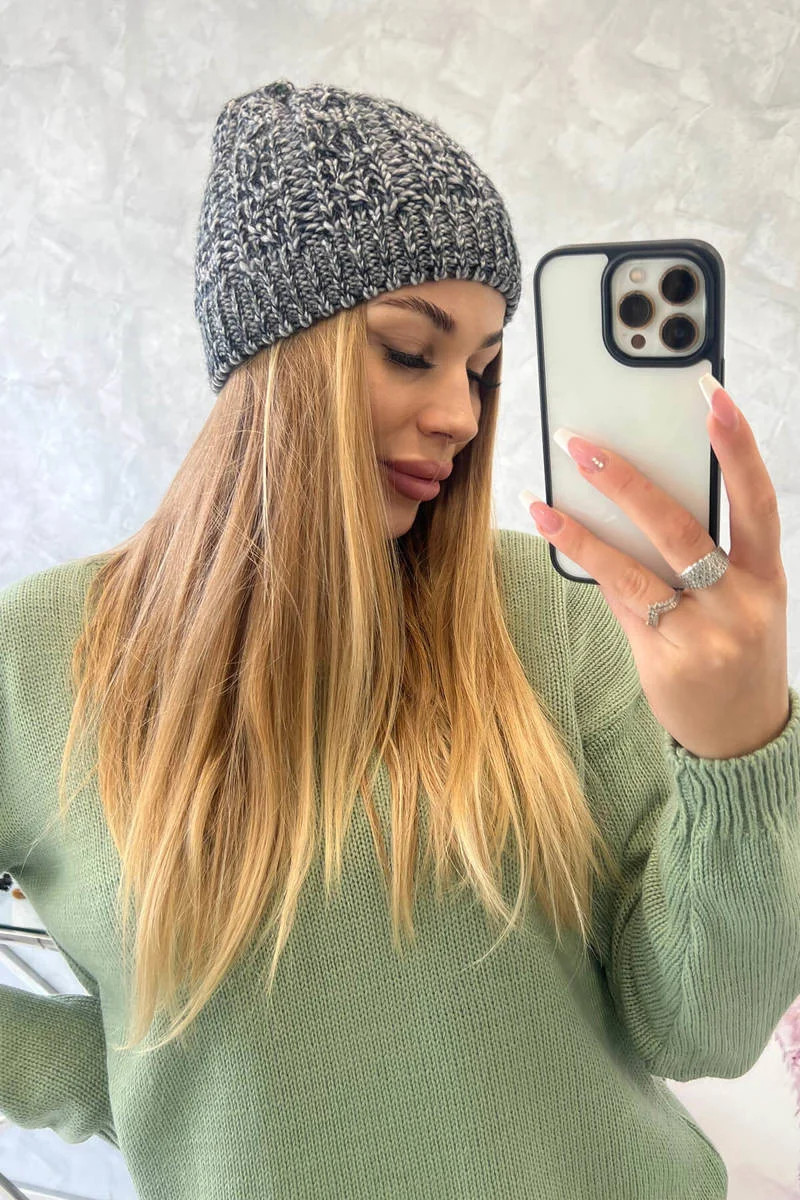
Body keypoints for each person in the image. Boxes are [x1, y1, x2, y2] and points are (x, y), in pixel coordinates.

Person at [1, 79, 799, 1200]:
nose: (462, 417)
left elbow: (699, 1031)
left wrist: (737, 749)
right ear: (272, 356)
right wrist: (114, 1080)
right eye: (410, 352)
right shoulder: (43, 658)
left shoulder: (556, 620)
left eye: (481, 369)